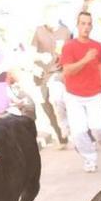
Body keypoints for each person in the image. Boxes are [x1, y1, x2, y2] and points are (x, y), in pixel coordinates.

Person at [60, 12, 101, 173]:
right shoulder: (69, 46)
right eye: (83, 23)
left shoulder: (97, 45)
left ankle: (96, 140)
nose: (86, 27)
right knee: (79, 131)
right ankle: (90, 158)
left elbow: (100, 64)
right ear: (77, 25)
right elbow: (67, 70)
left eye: (89, 24)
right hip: (74, 95)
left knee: (100, 128)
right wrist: (85, 59)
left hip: (94, 93)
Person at [30, 9, 72, 146]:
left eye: (54, 18)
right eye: (48, 18)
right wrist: (40, 57)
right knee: (47, 106)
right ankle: (61, 137)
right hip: (42, 75)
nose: (51, 21)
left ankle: (67, 129)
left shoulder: (65, 31)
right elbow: (31, 53)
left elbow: (73, 51)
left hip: (59, 72)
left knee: (57, 100)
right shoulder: (39, 31)